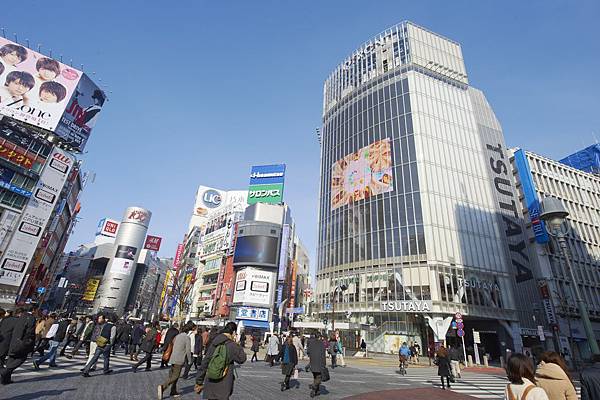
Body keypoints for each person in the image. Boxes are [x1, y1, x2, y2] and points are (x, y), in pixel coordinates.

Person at [194, 321, 247, 400]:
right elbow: (242, 359)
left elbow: (205, 361)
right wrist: (237, 343)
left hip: (210, 382)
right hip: (224, 384)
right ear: (233, 332)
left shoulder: (214, 341)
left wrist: (199, 381)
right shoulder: (232, 345)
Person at [0, 306, 36, 384]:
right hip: (16, 343)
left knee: (11, 359)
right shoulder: (27, 319)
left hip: (7, 343)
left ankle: (5, 379)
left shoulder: (6, 319)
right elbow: (28, 333)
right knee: (21, 358)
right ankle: (5, 371)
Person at [158, 321, 193, 399]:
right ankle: (162, 387)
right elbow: (188, 350)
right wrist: (190, 361)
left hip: (173, 357)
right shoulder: (187, 338)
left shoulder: (178, 336)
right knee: (175, 376)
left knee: (173, 375)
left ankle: (173, 391)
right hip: (179, 359)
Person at [307, 332, 327, 398]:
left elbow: (308, 352)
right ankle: (314, 386)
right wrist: (324, 363)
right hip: (320, 363)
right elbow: (323, 355)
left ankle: (316, 391)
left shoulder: (311, 343)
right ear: (319, 337)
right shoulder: (322, 344)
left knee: (315, 376)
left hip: (312, 362)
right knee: (319, 377)